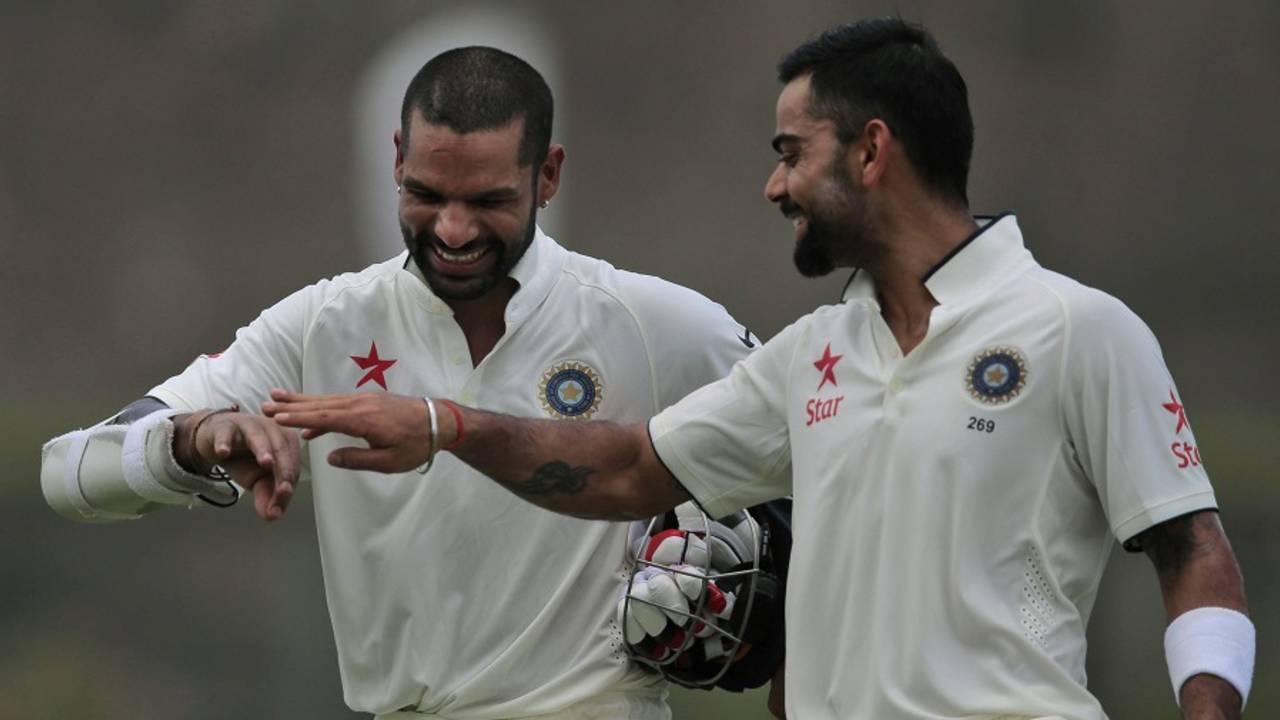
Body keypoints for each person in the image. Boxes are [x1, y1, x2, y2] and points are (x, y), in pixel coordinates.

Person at [264, 19, 1255, 720]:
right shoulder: (810, 357)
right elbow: (624, 469)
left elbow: (1189, 551)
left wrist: (1205, 711)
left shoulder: (1078, 330)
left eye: (792, 152)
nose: (772, 183)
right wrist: (446, 426)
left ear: (870, 153)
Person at [40, 46, 788, 719]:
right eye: (428, 194)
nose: (454, 231)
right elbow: (68, 475)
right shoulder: (321, 325)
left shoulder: (653, 323)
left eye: (489, 201)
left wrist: (784, 626)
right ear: (396, 158)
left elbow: (822, 443)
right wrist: (192, 439)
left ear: (549, 174)